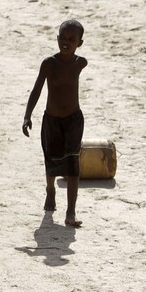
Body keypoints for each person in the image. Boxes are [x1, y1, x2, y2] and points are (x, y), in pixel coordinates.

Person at [22, 19, 88, 225]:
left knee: (73, 165)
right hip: (51, 121)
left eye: (71, 39)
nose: (66, 42)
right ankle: (50, 190)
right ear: (57, 38)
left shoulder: (80, 63)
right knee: (51, 160)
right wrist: (27, 115)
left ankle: (71, 212)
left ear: (80, 42)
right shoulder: (49, 63)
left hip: (74, 120)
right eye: (63, 38)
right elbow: (37, 90)